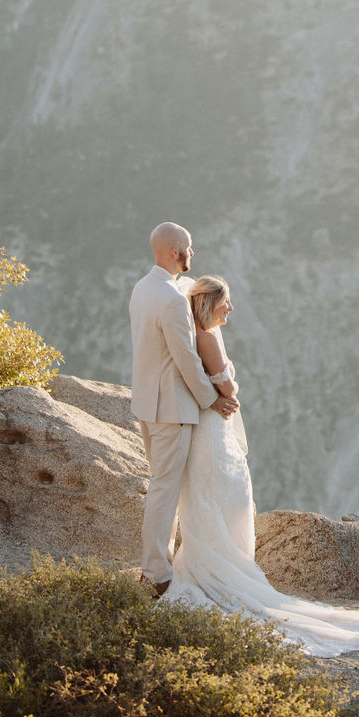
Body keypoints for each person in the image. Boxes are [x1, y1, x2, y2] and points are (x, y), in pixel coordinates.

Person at [164, 271, 359, 657]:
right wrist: (229, 388)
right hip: (212, 433)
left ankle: (217, 562)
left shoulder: (199, 335)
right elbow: (228, 386)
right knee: (228, 497)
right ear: (209, 304)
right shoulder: (206, 337)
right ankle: (227, 568)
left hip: (209, 427)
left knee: (216, 497)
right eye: (226, 303)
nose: (231, 309)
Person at [129, 222, 239, 594]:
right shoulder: (173, 299)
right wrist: (214, 400)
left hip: (147, 403)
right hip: (172, 409)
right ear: (175, 250)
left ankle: (158, 565)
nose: (192, 253)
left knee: (161, 486)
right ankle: (156, 573)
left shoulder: (143, 288)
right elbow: (186, 360)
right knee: (165, 490)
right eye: (189, 248)